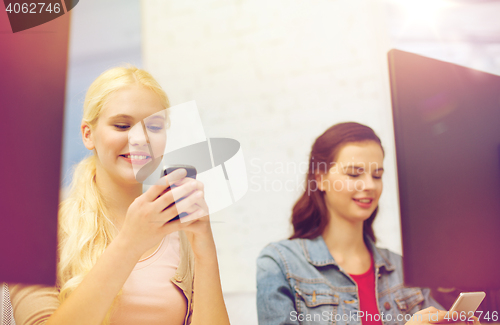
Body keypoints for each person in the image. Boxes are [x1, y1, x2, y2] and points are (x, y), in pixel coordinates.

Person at [8, 66, 230, 325]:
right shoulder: (33, 233)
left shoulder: (181, 232)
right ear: (88, 134)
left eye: (154, 126)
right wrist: (130, 241)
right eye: (122, 125)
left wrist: (205, 249)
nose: (139, 138)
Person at [256, 122, 454, 325]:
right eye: (354, 174)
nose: (369, 185)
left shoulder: (402, 268)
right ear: (320, 178)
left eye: (377, 175)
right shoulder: (280, 264)